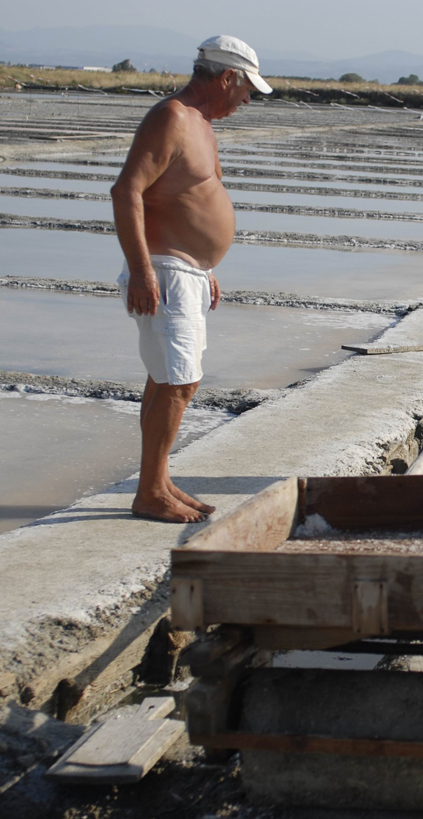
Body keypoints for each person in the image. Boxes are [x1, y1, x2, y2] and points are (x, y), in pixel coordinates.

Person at [111, 36, 272, 522]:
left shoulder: (201, 123)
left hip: (187, 271)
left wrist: (208, 266)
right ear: (227, 78)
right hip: (164, 271)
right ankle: (150, 493)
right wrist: (141, 269)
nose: (247, 101)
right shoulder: (173, 118)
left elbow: (191, 198)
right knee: (180, 383)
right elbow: (127, 192)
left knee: (167, 380)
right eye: (245, 90)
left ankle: (156, 481)